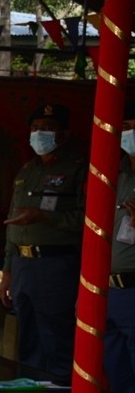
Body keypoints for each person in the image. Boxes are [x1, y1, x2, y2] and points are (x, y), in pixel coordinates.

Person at [0, 104, 85, 384]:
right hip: (23, 266)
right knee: (28, 340)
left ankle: (60, 386)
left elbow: (89, 221)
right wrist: (7, 272)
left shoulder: (77, 169)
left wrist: (44, 217)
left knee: (55, 338)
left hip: (55, 265)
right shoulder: (27, 170)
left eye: (47, 128)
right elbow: (12, 222)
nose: (39, 134)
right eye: (35, 129)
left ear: (64, 133)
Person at [106, 102, 135, 393]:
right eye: (124, 128)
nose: (128, 134)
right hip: (109, 290)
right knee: (116, 372)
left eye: (132, 128)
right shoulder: (117, 174)